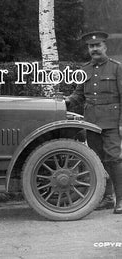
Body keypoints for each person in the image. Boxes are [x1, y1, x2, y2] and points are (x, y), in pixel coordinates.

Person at [66, 31, 122, 214]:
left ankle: (120, 200)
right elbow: (79, 95)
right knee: (97, 160)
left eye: (98, 46)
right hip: (91, 123)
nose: (95, 49)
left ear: (105, 47)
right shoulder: (85, 70)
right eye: (91, 47)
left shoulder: (116, 68)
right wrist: (64, 101)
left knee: (114, 159)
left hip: (112, 122)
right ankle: (106, 198)